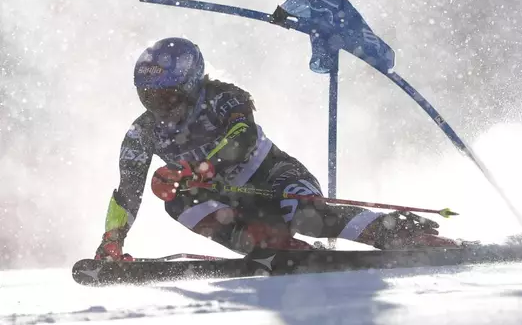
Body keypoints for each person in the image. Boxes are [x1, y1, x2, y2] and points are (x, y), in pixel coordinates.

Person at [94, 37, 453, 261]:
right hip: (233, 207)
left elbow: (243, 137)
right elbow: (127, 191)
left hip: (275, 178)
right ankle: (266, 245)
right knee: (176, 202)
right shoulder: (141, 133)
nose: (159, 106)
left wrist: (203, 170)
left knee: (308, 217)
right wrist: (112, 239)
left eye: (167, 94)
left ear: (190, 83)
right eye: (148, 96)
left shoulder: (224, 97)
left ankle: (394, 232)